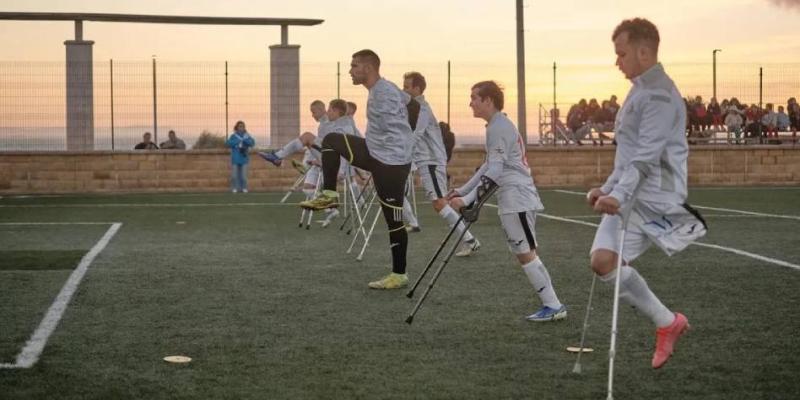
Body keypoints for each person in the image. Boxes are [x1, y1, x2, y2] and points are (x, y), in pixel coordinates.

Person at [586, 18, 707, 369]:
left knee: (605, 262)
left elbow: (647, 154)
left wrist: (618, 196)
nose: (617, 61)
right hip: (630, 193)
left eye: (621, 54)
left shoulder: (659, 95)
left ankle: (667, 324)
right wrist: (606, 188)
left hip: (654, 197)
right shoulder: (639, 89)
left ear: (643, 51)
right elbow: (627, 153)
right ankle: (668, 322)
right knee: (602, 261)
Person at [448, 80, 566, 322]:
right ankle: (552, 305)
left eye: (474, 98)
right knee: (525, 252)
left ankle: (554, 306)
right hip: (512, 197)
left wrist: (469, 201)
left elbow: (495, 171)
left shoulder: (498, 127)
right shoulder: (496, 125)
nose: (470, 103)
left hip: (518, 197)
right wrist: (462, 191)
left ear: (488, 100)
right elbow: (487, 169)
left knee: (525, 253)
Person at [299, 49, 414, 290]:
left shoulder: (383, 95)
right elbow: (412, 104)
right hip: (377, 154)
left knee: (393, 219)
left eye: (354, 66)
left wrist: (396, 150)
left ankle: (399, 274)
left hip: (390, 164)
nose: (350, 71)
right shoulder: (385, 88)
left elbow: (402, 120)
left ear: (368, 68)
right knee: (331, 139)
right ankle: (329, 194)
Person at [403, 71, 479, 256]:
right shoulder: (414, 108)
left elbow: (417, 134)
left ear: (417, 89)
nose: (403, 90)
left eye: (406, 87)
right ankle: (468, 237)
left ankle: (470, 239)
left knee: (439, 203)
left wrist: (402, 152)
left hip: (431, 161)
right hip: (426, 161)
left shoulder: (422, 108)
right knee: (440, 203)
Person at [259, 100, 330, 201]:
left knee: (307, 137)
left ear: (321, 109)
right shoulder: (324, 123)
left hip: (330, 157)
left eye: (314, 112)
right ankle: (330, 208)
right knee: (307, 189)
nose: (312, 115)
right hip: (322, 156)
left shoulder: (329, 122)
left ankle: (279, 157)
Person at [225, 121, 255, 193]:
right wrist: (237, 141)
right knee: (234, 175)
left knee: (244, 176)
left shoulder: (247, 136)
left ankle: (244, 188)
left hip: (244, 158)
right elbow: (228, 143)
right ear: (237, 127)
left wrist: (245, 140)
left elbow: (252, 143)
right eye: (239, 126)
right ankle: (234, 188)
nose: (241, 128)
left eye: (242, 126)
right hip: (235, 158)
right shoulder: (234, 136)